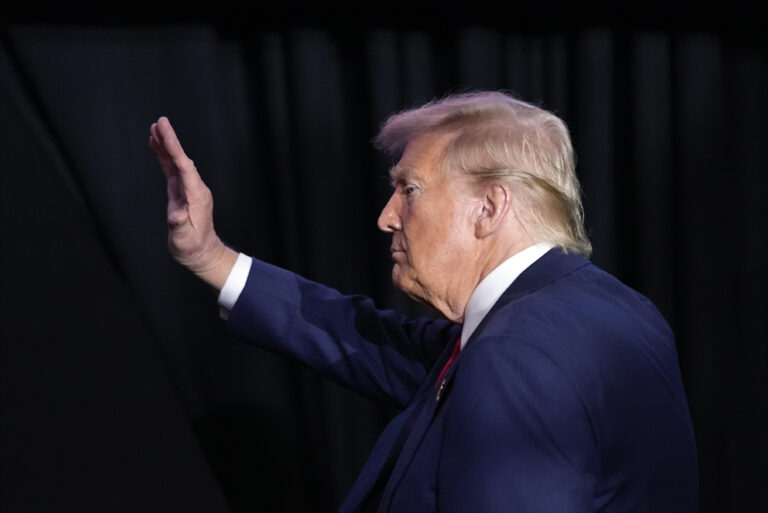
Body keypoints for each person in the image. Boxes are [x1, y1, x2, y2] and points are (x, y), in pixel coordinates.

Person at [150, 91, 698, 512]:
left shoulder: (515, 352)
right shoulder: (611, 309)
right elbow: (378, 344)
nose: (388, 216)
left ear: (489, 208)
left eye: (409, 189)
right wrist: (210, 256)